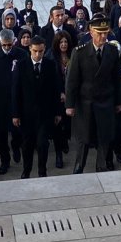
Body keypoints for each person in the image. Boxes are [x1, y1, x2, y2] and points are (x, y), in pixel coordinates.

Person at [66, 14, 121, 173]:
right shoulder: (79, 52)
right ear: (91, 32)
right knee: (84, 139)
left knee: (104, 137)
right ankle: (79, 167)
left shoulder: (112, 51)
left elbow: (116, 79)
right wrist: (70, 105)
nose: (103, 36)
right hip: (86, 103)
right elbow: (72, 81)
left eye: (105, 32)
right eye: (99, 33)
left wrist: (119, 101)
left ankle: (102, 166)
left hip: (106, 101)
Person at [12, 38, 63, 178]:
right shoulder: (21, 65)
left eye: (41, 51)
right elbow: (16, 91)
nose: (38, 54)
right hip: (26, 114)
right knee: (27, 144)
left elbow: (56, 90)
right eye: (35, 51)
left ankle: (42, 170)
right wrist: (15, 114)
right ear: (30, 49)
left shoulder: (50, 65)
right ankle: (26, 170)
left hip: (45, 113)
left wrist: (58, 112)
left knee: (42, 144)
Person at [0, 28, 26, 174]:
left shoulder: (21, 54)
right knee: (1, 135)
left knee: (17, 131)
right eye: (5, 45)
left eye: (10, 45)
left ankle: (16, 147)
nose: (8, 48)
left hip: (16, 101)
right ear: (0, 43)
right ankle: (4, 160)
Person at [49, 31, 74, 169]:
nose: (63, 45)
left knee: (68, 125)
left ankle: (65, 139)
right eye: (61, 42)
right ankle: (59, 155)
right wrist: (59, 92)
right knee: (57, 127)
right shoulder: (52, 57)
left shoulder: (73, 55)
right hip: (57, 98)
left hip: (71, 97)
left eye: (65, 42)